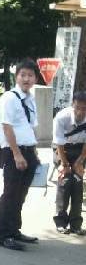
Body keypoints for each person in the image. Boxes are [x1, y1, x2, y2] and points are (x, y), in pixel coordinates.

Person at [0, 59, 40, 251]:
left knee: (21, 195)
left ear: (35, 78)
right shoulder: (9, 98)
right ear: (16, 76)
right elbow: (7, 127)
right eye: (23, 75)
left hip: (28, 151)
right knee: (10, 193)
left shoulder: (29, 98)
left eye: (30, 75)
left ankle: (14, 230)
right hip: (15, 152)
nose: (26, 78)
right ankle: (2, 235)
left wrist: (34, 153)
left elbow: (30, 128)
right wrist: (17, 154)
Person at [52, 91, 86, 235]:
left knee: (78, 183)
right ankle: (61, 222)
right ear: (73, 104)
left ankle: (76, 224)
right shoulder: (62, 117)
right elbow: (59, 143)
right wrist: (65, 165)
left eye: (84, 109)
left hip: (80, 150)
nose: (80, 111)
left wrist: (80, 162)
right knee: (65, 182)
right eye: (78, 107)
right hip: (62, 150)